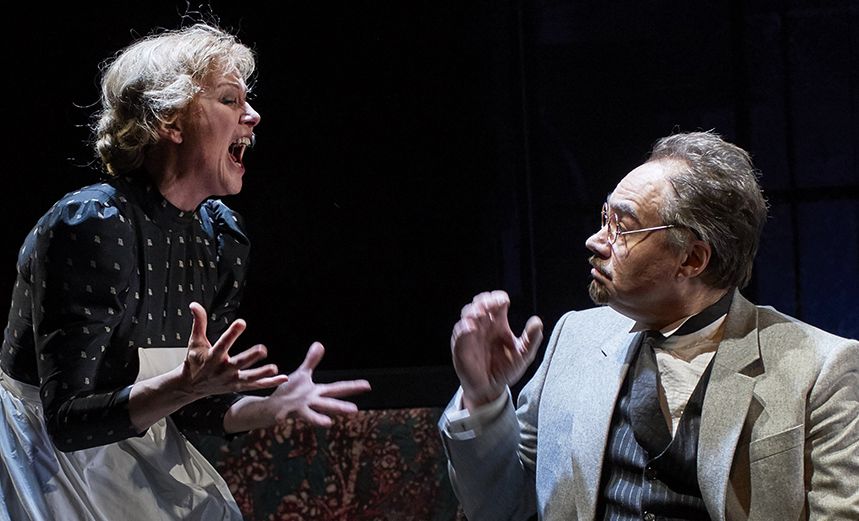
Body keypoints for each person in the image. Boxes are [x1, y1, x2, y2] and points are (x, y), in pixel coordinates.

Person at [0, 22, 371, 520]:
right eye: (229, 100)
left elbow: (194, 404)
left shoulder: (221, 237)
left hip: (135, 442)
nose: (253, 116)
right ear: (169, 122)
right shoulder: (92, 225)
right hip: (41, 461)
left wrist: (269, 406)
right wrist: (184, 387)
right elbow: (67, 421)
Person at [438, 131, 859, 520]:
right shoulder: (575, 339)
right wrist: (484, 397)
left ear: (692, 259)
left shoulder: (822, 369)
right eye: (604, 217)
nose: (595, 241)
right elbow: (501, 506)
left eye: (622, 227)